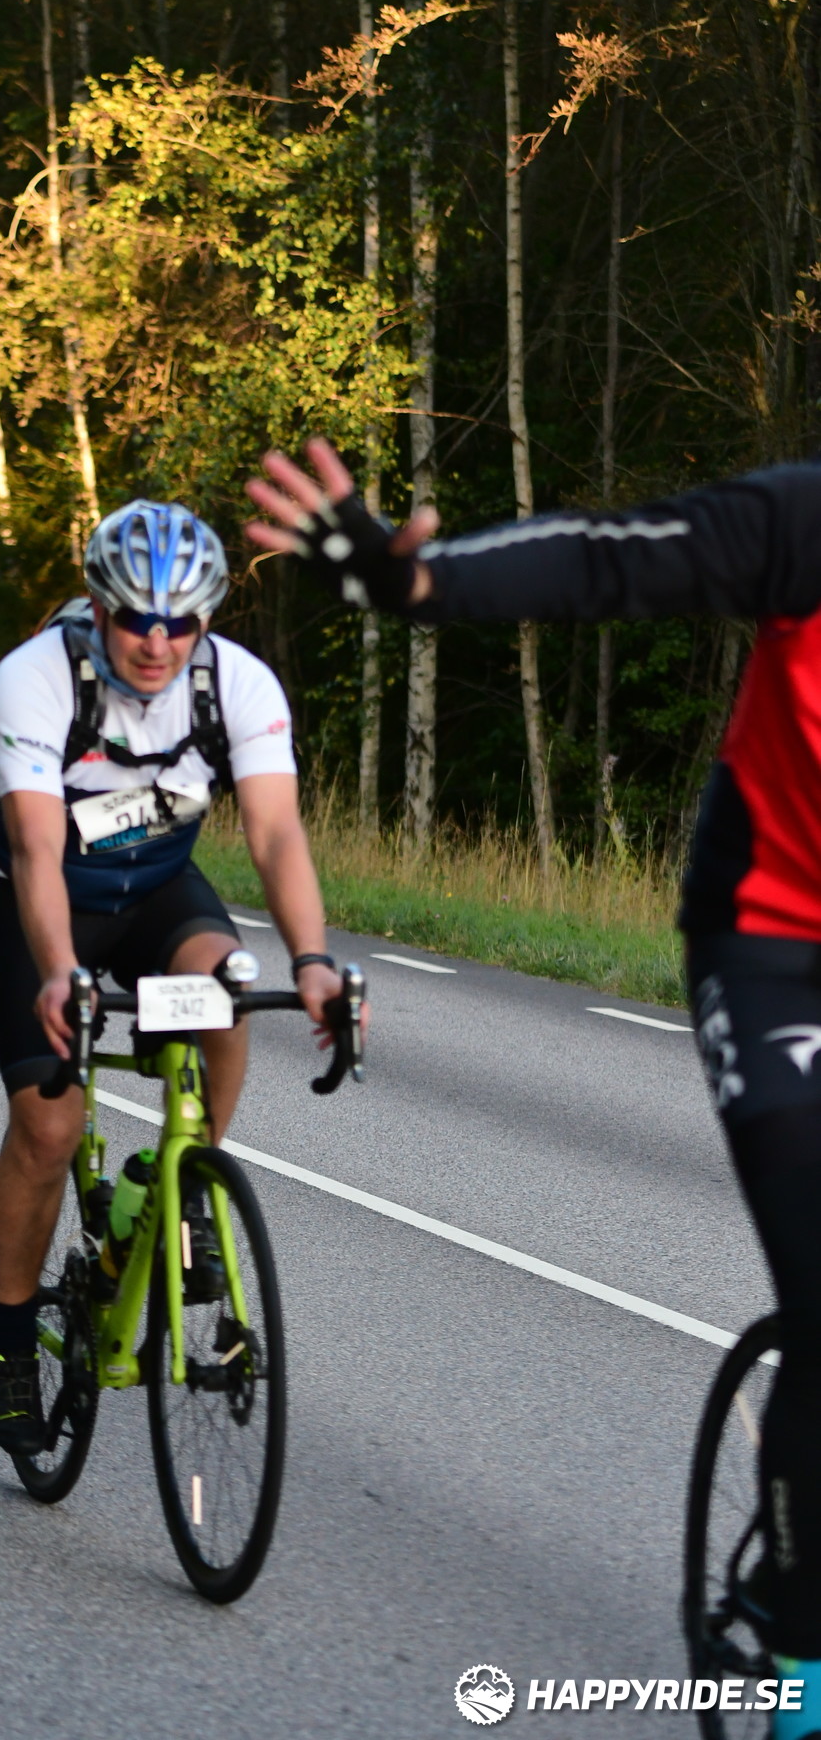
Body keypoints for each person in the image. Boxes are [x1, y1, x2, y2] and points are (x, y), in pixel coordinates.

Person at [247, 437, 821, 1740]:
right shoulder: (804, 525)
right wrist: (417, 583)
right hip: (776, 944)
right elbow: (605, 562)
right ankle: (799, 1650)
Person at [0, 499, 346, 1457]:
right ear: (99, 607)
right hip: (36, 894)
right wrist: (61, 971)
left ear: (206, 618)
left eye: (180, 622)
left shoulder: (236, 685)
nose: (156, 641)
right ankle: (10, 1339)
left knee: (226, 987)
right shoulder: (35, 678)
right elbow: (35, 846)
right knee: (48, 1128)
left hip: (156, 886)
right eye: (135, 617)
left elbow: (274, 833)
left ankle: (183, 1179)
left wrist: (310, 960)